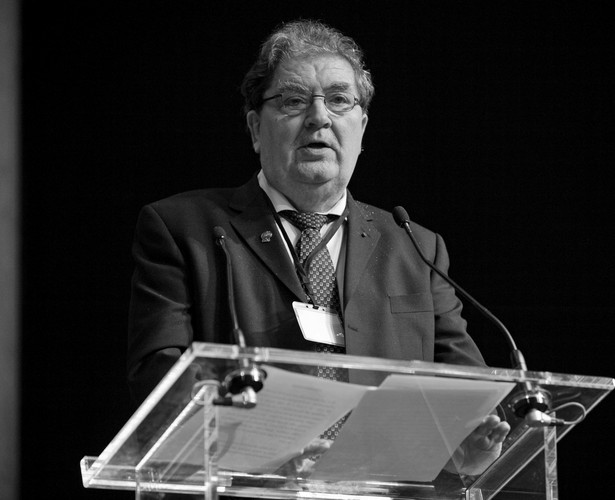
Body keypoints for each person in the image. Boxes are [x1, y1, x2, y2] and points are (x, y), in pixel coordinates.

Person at [127, 19, 509, 479]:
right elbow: (161, 376)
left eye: (339, 99)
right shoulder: (183, 228)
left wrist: (466, 443)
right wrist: (265, 440)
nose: (319, 117)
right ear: (254, 127)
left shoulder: (415, 246)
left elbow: (468, 391)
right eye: (292, 100)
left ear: (362, 128)